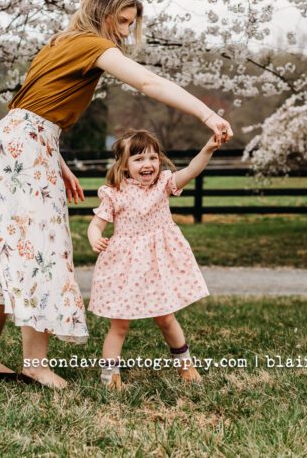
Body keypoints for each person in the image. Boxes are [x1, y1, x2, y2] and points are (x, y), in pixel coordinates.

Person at [0, 0, 233, 389]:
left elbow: (23, 107)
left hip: (5, 143)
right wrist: (207, 115)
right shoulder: (92, 45)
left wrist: (54, 158)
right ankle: (34, 364)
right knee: (40, 249)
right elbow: (149, 83)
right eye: (123, 21)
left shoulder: (60, 42)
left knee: (2, 251)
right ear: (104, 14)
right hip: (26, 146)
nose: (126, 31)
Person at [87, 130, 219, 390]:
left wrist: (208, 148)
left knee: (166, 317)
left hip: (158, 263)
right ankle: (110, 376)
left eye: (152, 158)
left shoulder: (164, 184)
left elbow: (191, 170)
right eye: (138, 159)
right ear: (124, 165)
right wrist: (95, 238)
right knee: (120, 324)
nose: (147, 165)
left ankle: (186, 365)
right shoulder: (115, 193)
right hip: (126, 265)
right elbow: (96, 224)